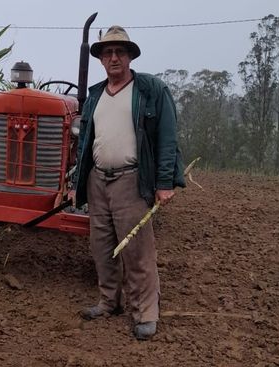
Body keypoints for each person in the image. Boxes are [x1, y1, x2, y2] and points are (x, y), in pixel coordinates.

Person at [72, 25, 185, 340]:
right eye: (107, 53)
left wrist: (165, 182)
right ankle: (109, 302)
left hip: (130, 181)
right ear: (101, 60)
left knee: (136, 250)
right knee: (102, 247)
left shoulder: (149, 90)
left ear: (130, 56)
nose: (113, 58)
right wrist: (76, 181)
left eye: (119, 51)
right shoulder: (96, 95)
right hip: (97, 180)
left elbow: (167, 138)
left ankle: (145, 313)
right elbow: (84, 145)